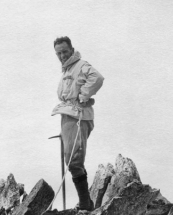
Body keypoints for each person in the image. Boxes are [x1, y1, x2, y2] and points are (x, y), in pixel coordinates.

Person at [51, 36, 104, 212]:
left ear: (72, 49)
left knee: (73, 159)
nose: (62, 55)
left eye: (65, 51)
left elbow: (97, 77)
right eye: (58, 53)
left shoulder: (80, 65)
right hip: (68, 117)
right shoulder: (67, 69)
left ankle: (85, 204)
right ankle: (86, 202)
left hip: (78, 116)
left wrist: (84, 95)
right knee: (71, 159)